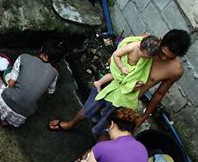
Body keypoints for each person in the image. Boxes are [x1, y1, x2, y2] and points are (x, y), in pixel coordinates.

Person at [48, 29, 191, 135]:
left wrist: (143, 117)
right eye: (161, 53)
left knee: (110, 127)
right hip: (112, 84)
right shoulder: (144, 43)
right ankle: (71, 124)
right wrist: (120, 68)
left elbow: (159, 94)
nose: (163, 58)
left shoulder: (175, 70)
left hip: (125, 99)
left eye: (169, 57)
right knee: (89, 106)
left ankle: (90, 156)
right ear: (160, 41)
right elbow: (115, 57)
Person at [0, 40, 66, 127]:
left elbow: (11, 84)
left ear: (42, 49)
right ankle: (8, 120)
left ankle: (2, 116)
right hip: (23, 114)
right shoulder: (54, 73)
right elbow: (50, 91)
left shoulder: (23, 57)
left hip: (6, 101)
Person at [93, 35, 160, 94]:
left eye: (146, 58)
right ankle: (99, 82)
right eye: (142, 56)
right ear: (139, 46)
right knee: (113, 75)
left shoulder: (148, 55)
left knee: (128, 82)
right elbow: (116, 54)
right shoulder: (132, 46)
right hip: (121, 64)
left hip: (130, 69)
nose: (143, 59)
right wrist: (121, 67)